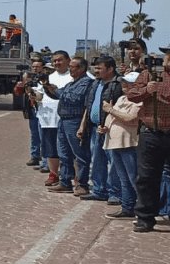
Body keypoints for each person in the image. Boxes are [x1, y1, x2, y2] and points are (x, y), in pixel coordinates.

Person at [126, 44, 170, 233]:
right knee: (146, 177)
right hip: (151, 132)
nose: (166, 58)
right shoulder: (147, 74)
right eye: (167, 54)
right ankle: (145, 218)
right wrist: (146, 90)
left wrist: (159, 92)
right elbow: (131, 95)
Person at [43, 55, 93, 195]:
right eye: (70, 67)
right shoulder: (72, 83)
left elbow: (74, 98)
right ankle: (65, 181)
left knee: (80, 154)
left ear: (82, 68)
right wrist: (48, 87)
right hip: (64, 120)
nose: (70, 69)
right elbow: (59, 94)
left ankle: (82, 184)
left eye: (73, 67)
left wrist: (58, 91)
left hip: (75, 120)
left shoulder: (86, 82)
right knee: (63, 153)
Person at [78, 56, 123, 202]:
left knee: (115, 163)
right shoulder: (96, 83)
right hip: (95, 129)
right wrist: (82, 125)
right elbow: (88, 106)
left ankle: (115, 193)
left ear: (110, 69)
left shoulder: (119, 85)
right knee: (97, 161)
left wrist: (109, 125)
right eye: (95, 68)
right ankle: (99, 190)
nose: (95, 71)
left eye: (99, 68)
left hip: (112, 130)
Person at [101, 71, 142, 219]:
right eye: (124, 82)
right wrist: (105, 127)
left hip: (129, 143)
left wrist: (110, 110)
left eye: (129, 83)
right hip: (115, 142)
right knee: (123, 178)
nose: (124, 85)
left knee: (134, 177)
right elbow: (112, 117)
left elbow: (131, 118)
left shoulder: (139, 101)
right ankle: (127, 207)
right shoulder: (122, 98)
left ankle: (143, 208)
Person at [15, 58, 47, 167]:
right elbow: (19, 92)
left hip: (43, 110)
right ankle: (35, 156)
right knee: (34, 134)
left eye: (37, 66)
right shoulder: (28, 77)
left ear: (42, 67)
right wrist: (22, 85)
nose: (35, 68)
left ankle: (45, 159)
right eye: (33, 66)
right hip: (32, 109)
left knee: (44, 135)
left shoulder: (46, 79)